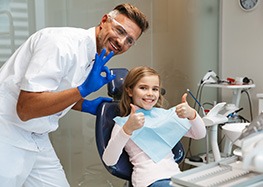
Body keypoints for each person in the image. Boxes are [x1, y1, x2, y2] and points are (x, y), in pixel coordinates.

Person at [0, 3, 149, 187]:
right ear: (104, 21)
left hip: (37, 136)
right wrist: (82, 90)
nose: (121, 42)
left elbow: (55, 92)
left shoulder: (95, 54)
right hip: (7, 132)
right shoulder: (61, 44)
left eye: (129, 41)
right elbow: (26, 108)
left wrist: (84, 104)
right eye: (120, 31)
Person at [102, 66, 206, 187]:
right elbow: (109, 160)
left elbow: (199, 134)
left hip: (176, 178)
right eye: (143, 88)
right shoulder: (124, 123)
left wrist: (192, 114)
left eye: (155, 89)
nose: (150, 93)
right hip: (149, 181)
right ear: (130, 91)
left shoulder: (163, 116)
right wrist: (127, 130)